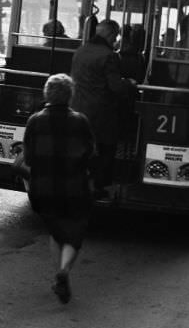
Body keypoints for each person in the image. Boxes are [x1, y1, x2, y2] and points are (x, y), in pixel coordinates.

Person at [22, 73, 95, 304]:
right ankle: (63, 271)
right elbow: (90, 155)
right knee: (74, 233)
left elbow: (30, 158)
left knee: (56, 232)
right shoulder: (80, 121)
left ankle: (60, 276)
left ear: (47, 94)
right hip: (74, 188)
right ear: (70, 95)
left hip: (43, 189)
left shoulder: (35, 120)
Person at [70, 19, 136, 196]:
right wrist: (129, 83)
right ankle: (99, 186)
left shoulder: (81, 51)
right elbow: (115, 87)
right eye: (115, 36)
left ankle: (79, 182)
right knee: (106, 148)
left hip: (77, 108)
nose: (116, 40)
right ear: (109, 34)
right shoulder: (109, 55)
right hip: (101, 112)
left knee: (82, 148)